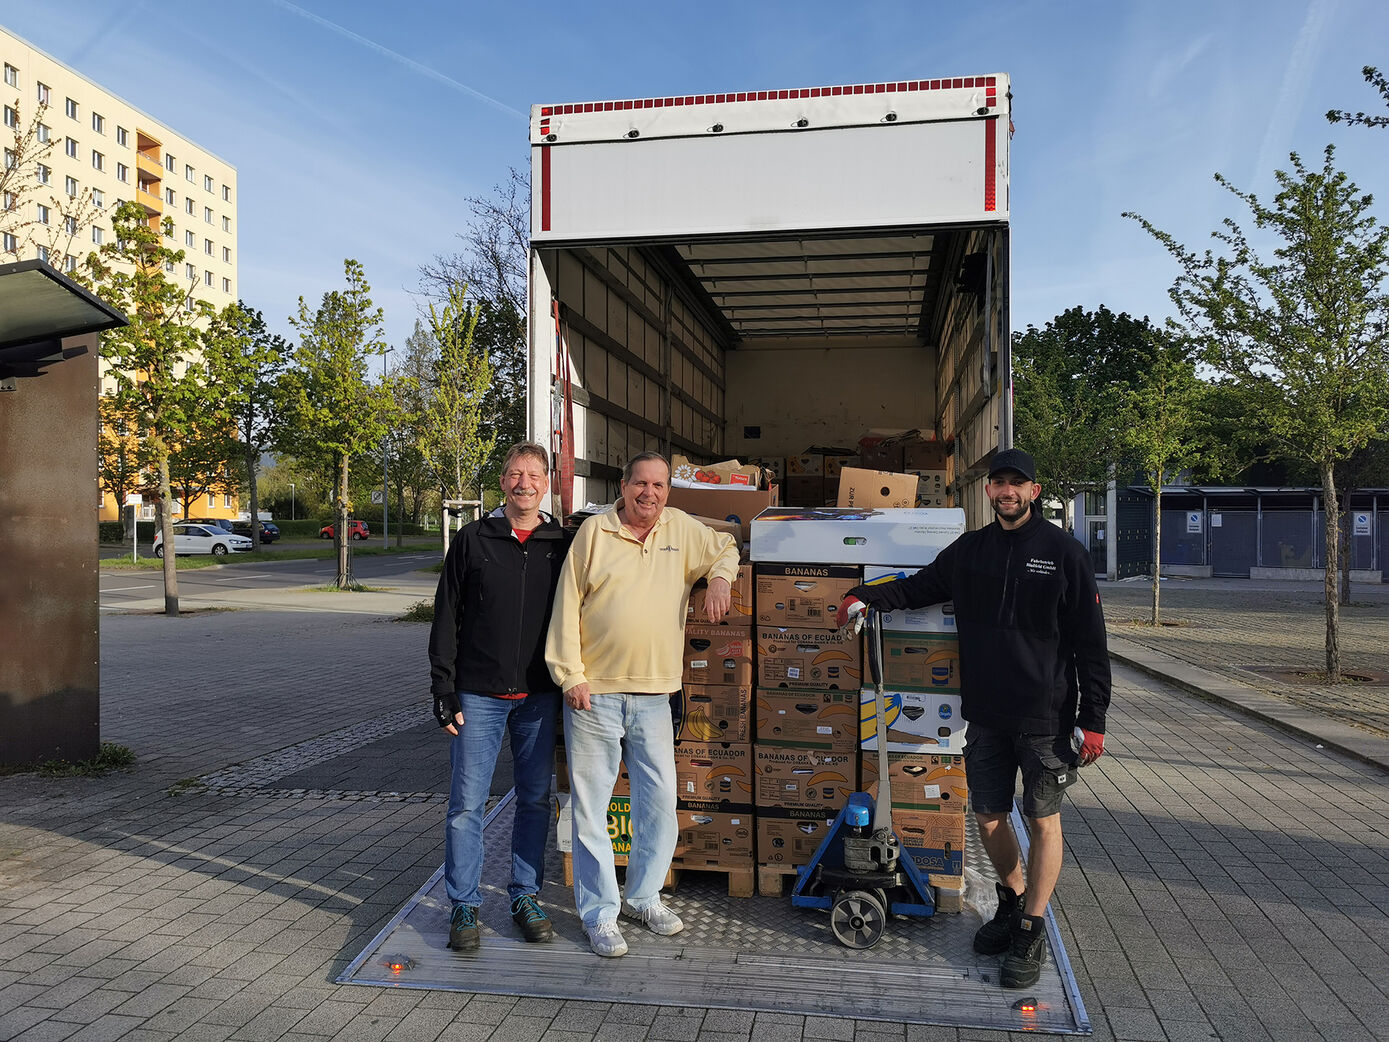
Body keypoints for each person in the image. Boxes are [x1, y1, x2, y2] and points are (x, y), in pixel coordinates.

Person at [836, 447, 1110, 989]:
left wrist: (1093, 717)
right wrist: (860, 595)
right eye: (998, 483)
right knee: (987, 816)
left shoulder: (1064, 554)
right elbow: (916, 588)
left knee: (1042, 821)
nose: (1006, 492)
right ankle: (1010, 902)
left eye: (1017, 484)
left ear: (1033, 491)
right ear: (988, 491)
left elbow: (1091, 644)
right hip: (984, 713)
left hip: (1046, 718)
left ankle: (1032, 926)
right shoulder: (971, 551)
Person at [545, 451, 740, 958]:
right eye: (640, 484)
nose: (648, 493)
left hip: (656, 694)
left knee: (658, 802)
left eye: (658, 485)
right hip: (596, 695)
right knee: (592, 808)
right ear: (624, 486)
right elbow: (566, 603)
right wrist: (570, 676)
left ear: (667, 491)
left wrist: (719, 578)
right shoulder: (595, 533)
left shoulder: (680, 529)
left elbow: (726, 545)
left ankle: (643, 897)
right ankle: (600, 914)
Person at [428, 441, 573, 952]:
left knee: (534, 800)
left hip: (539, 696)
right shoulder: (473, 539)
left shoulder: (564, 542)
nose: (524, 484)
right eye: (515, 474)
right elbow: (447, 615)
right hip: (479, 695)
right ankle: (464, 905)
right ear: (503, 481)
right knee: (467, 805)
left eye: (534, 474)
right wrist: (442, 686)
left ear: (546, 481)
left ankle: (524, 896)